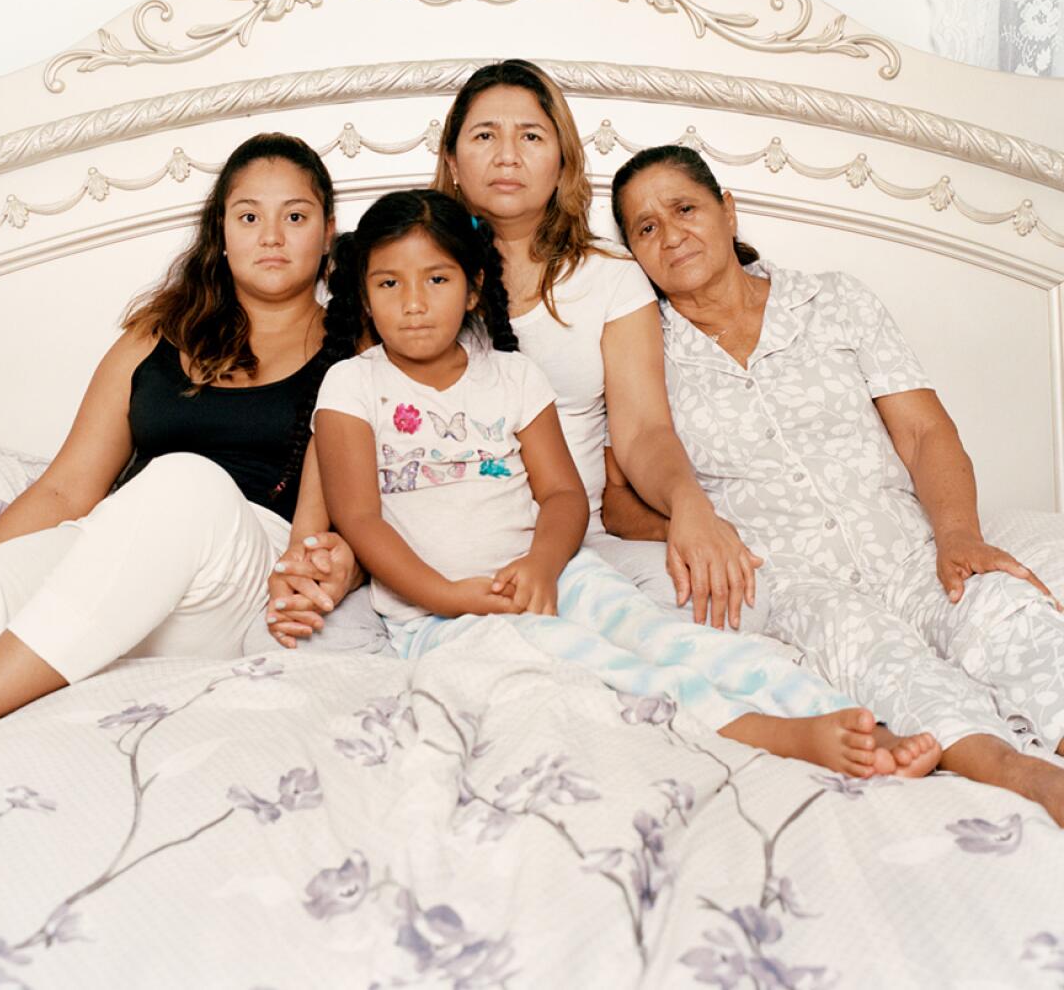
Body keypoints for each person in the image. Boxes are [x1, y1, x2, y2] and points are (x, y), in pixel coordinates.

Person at [311, 186, 940, 777]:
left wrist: (541, 565)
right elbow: (361, 520)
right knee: (605, 669)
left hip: (555, 575)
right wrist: (450, 596)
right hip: (441, 616)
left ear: (474, 289)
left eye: (437, 279)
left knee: (672, 639)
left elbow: (561, 495)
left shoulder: (513, 376)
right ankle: (771, 735)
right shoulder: (352, 384)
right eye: (389, 283)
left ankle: (848, 717)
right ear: (365, 297)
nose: (414, 302)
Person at [0, 133, 361, 769]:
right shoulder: (155, 336)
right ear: (221, 231)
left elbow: (381, 502)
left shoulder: (359, 346)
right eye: (249, 216)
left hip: (242, 575)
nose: (271, 235)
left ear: (327, 233)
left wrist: (345, 563)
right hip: (116, 548)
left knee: (182, 482)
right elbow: (65, 490)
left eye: (294, 216)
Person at [607, 142, 1064, 824]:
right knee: (878, 659)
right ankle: (1020, 775)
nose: (671, 235)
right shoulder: (644, 348)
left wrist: (959, 534)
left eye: (684, 208)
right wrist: (698, 526)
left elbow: (924, 433)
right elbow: (617, 497)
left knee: (1000, 609)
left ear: (728, 212)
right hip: (798, 580)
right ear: (635, 255)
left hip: (907, 547)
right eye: (645, 228)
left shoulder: (833, 300)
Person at [433, 60, 764, 632]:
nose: (507, 156)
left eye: (531, 137)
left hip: (578, 547)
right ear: (453, 163)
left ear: (562, 162)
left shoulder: (610, 278)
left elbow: (643, 433)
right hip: (440, 541)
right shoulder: (408, 271)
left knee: (730, 607)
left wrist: (690, 504)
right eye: (485, 136)